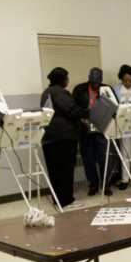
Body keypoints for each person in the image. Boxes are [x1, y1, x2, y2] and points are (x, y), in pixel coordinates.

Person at [40, 67, 91, 209]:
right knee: (65, 170)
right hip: (63, 138)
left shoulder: (47, 92)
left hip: (50, 138)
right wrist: (89, 112)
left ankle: (58, 199)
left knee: (56, 172)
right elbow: (72, 110)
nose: (68, 81)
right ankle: (67, 200)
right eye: (67, 78)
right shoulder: (59, 92)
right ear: (62, 80)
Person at [72, 67, 115, 197]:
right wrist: (80, 118)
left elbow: (114, 107)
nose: (95, 84)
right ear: (89, 78)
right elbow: (73, 108)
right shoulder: (80, 89)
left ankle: (106, 185)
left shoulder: (107, 89)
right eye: (93, 81)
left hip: (103, 130)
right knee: (88, 160)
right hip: (86, 131)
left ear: (101, 80)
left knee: (106, 159)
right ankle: (93, 185)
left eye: (98, 82)